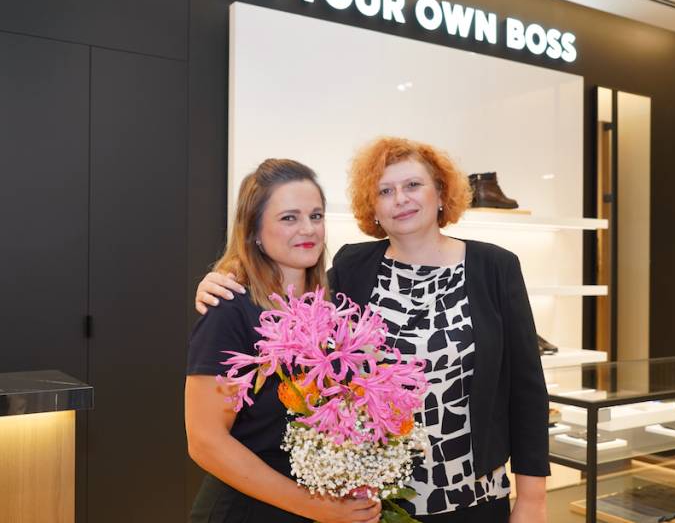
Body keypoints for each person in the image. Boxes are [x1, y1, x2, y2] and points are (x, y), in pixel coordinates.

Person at [196, 139, 550, 523]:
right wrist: (227, 276)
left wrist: (532, 499)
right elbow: (287, 296)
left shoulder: (494, 267)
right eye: (385, 191)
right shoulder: (354, 267)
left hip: (474, 494)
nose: (400, 199)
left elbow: (526, 389)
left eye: (413, 185)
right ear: (373, 208)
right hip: (378, 501)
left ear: (440, 192)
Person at [185, 158, 382, 523]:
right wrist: (314, 506)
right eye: (289, 218)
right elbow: (205, 442)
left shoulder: (333, 306)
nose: (308, 229)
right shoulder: (230, 310)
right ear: (254, 231)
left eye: (316, 216)